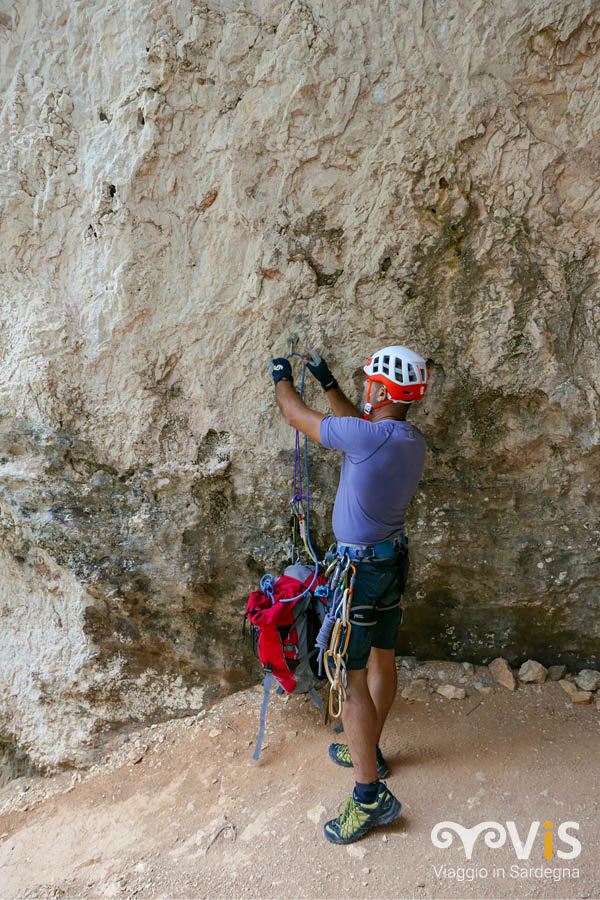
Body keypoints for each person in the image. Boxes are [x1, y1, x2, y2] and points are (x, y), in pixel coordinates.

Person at [268, 344, 428, 844]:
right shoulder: (405, 437)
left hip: (359, 572)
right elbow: (354, 422)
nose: (364, 388)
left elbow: (295, 414)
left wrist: (282, 376)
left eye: (369, 382)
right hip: (391, 560)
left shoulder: (368, 437)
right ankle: (372, 749)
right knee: (383, 656)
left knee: (351, 676)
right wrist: (328, 378)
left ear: (381, 390)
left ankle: (369, 796)